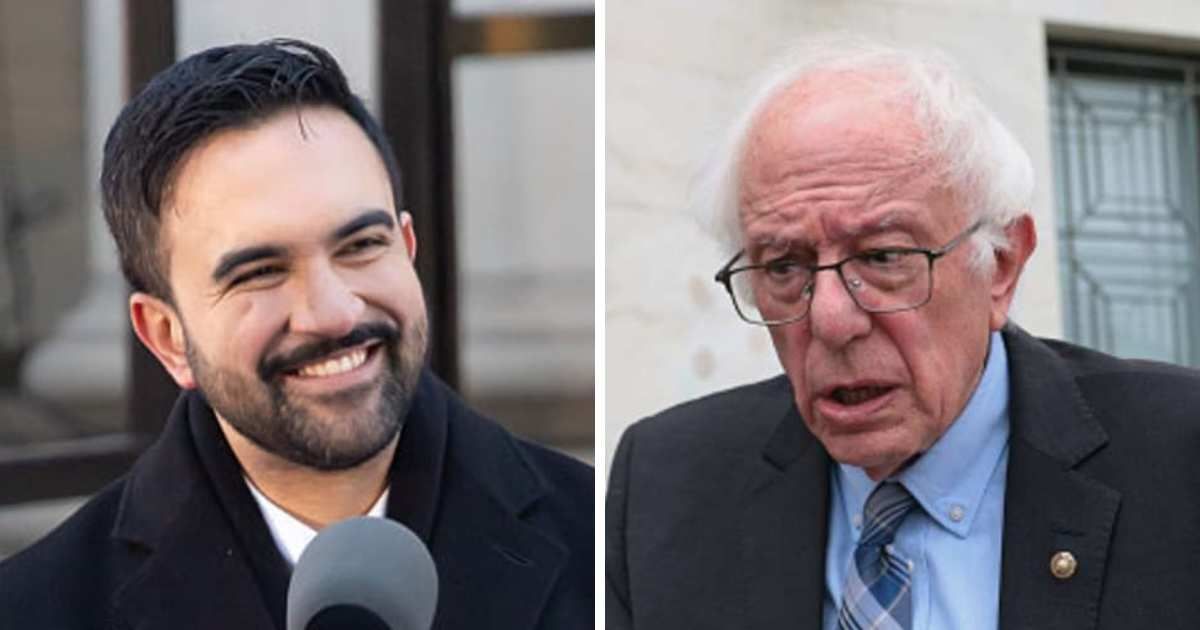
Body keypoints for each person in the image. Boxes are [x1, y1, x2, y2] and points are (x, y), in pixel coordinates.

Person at [606, 38, 1200, 630]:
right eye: (784, 267)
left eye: (884, 256)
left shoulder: (1178, 457)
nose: (831, 320)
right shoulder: (665, 486)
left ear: (1001, 266)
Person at [0, 39, 592, 629]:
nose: (333, 313)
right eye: (260, 273)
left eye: (361, 246)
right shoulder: (39, 608)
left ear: (406, 250)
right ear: (166, 336)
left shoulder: (606, 548)